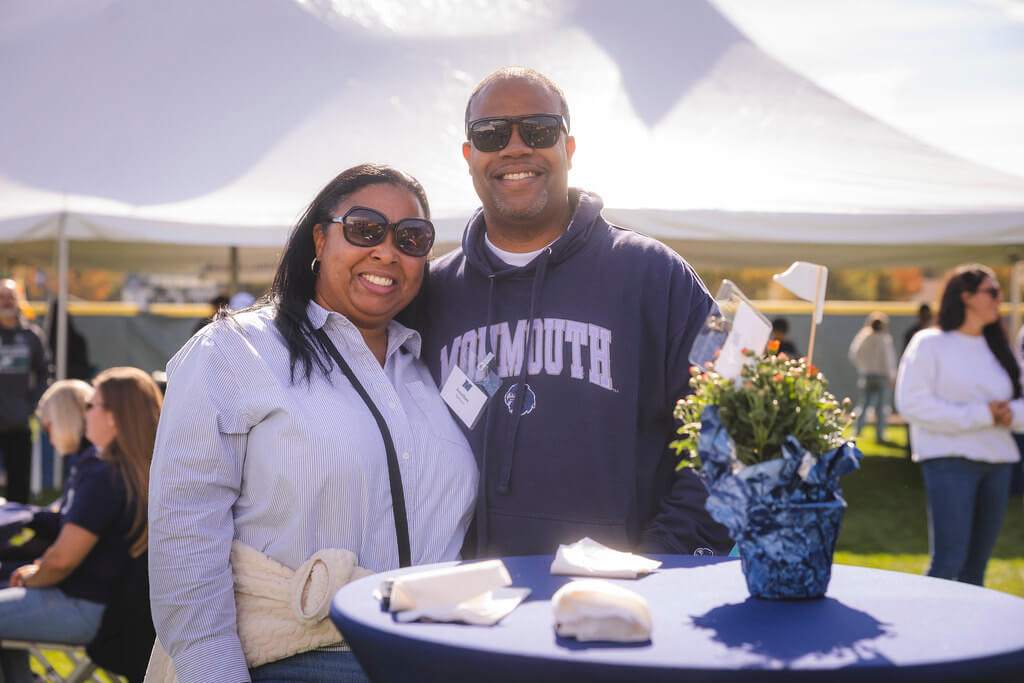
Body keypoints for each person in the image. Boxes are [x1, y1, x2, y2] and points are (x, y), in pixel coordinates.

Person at [149, 164, 477, 683]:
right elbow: (184, 537)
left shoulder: (426, 368)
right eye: (365, 228)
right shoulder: (235, 352)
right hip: (300, 659)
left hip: (437, 654)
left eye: (412, 238)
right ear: (320, 239)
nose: (388, 252)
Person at [403, 66, 731, 558]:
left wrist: (665, 553)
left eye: (538, 129)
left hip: (625, 601)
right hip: (466, 601)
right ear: (470, 156)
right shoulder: (429, 293)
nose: (515, 147)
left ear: (569, 149)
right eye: (491, 134)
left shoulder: (651, 273)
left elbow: (729, 423)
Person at [0, 367, 160, 682]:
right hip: (104, 606)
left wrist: (34, 575)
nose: (84, 412)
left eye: (92, 405)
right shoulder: (133, 469)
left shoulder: (104, 475)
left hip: (82, 606)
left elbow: (62, 559)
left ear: (113, 416)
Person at [895, 264, 1023, 585]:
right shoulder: (929, 344)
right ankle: (925, 633)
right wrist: (983, 415)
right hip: (949, 462)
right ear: (966, 296)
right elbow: (912, 403)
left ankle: (967, 637)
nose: (999, 299)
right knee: (948, 563)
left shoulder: (1001, 349)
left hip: (998, 464)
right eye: (992, 292)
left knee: (976, 569)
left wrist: (1011, 415)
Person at [0, 380, 97, 580]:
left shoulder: (94, 464)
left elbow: (67, 528)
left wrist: (27, 515)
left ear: (64, 420)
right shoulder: (88, 459)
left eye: (47, 429)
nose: (51, 440)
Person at [0, 278, 51, 503]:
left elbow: (44, 371)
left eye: (11, 296)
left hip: (19, 420)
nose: (6, 301)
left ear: (19, 300)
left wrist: (33, 404)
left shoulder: (32, 336)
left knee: (18, 479)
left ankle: (15, 524)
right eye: (2, 297)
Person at [849, 312, 898, 442]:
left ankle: (858, 430)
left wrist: (863, 367)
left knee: (863, 404)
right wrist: (892, 377)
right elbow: (889, 360)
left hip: (867, 374)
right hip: (881, 376)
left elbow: (854, 354)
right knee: (881, 407)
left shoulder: (863, 338)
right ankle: (880, 434)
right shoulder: (884, 339)